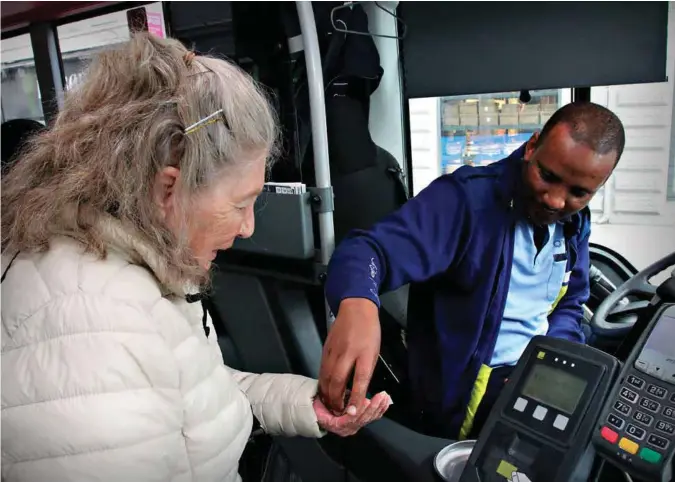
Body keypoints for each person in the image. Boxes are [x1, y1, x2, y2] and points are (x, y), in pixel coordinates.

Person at [0, 33, 391, 482]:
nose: (248, 227)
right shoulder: (87, 327)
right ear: (170, 188)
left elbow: (193, 393)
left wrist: (307, 405)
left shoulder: (131, 269)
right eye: (241, 203)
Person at [318, 101, 625, 440]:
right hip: (461, 408)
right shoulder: (465, 203)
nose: (555, 200)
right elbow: (367, 250)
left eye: (578, 192)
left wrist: (550, 369)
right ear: (532, 146)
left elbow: (570, 302)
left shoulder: (574, 223)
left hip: (534, 383)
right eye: (547, 176)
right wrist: (358, 302)